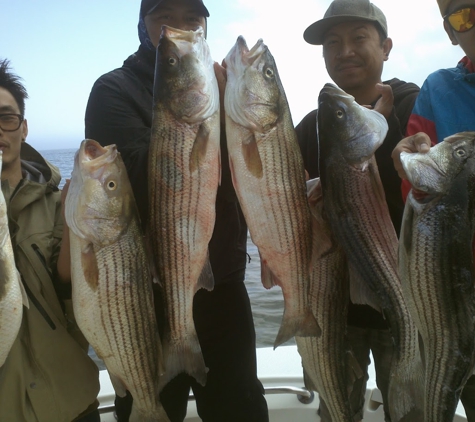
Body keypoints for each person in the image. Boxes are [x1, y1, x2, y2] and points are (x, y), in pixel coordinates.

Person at [84, 1, 269, 421]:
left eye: (193, 18)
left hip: (222, 282)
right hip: (145, 292)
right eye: (162, 16)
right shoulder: (113, 89)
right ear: (143, 26)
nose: (180, 26)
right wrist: (194, 114)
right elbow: (125, 173)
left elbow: (262, 168)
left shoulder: (228, 86)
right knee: (151, 408)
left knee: (240, 409)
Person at [295, 0, 420, 420]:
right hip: (333, 311)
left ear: (385, 47)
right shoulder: (312, 125)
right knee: (334, 411)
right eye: (332, 42)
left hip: (408, 305)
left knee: (410, 411)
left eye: (358, 38)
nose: (344, 50)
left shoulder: (413, 105)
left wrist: (387, 130)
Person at [0, 59, 100, 421]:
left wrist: (77, 228)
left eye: (6, 117)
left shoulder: (60, 203)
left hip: (69, 401)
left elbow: (70, 286)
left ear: (23, 128)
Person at [392, 0, 475, 419]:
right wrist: (407, 163)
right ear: (450, 31)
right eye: (465, 16)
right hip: (445, 292)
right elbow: (421, 186)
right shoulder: (437, 90)